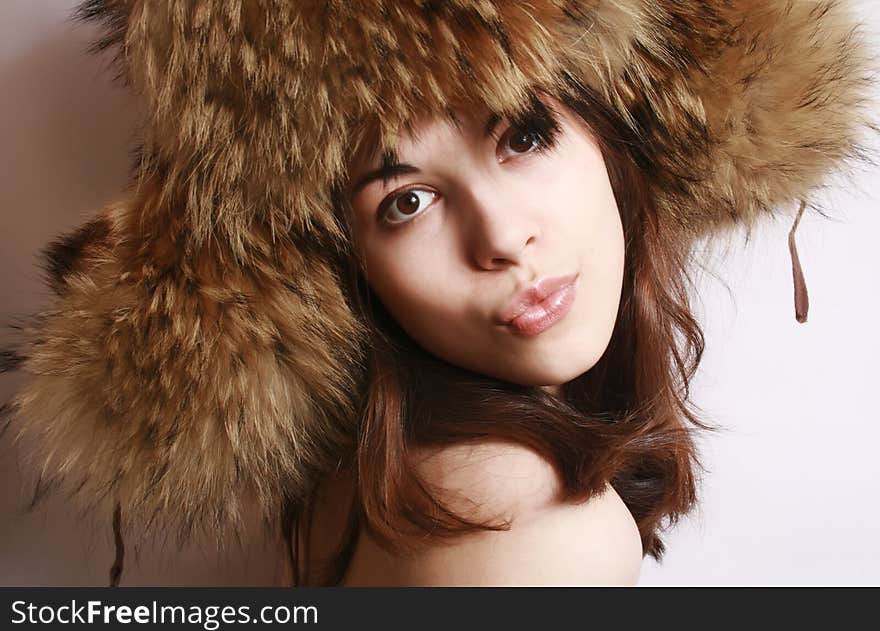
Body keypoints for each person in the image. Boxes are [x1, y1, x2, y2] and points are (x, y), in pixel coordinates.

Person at [0, 1, 872, 587]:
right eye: (404, 201)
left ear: (606, 140)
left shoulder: (385, 472)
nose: (499, 237)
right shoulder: (528, 530)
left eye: (523, 135)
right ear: (343, 265)